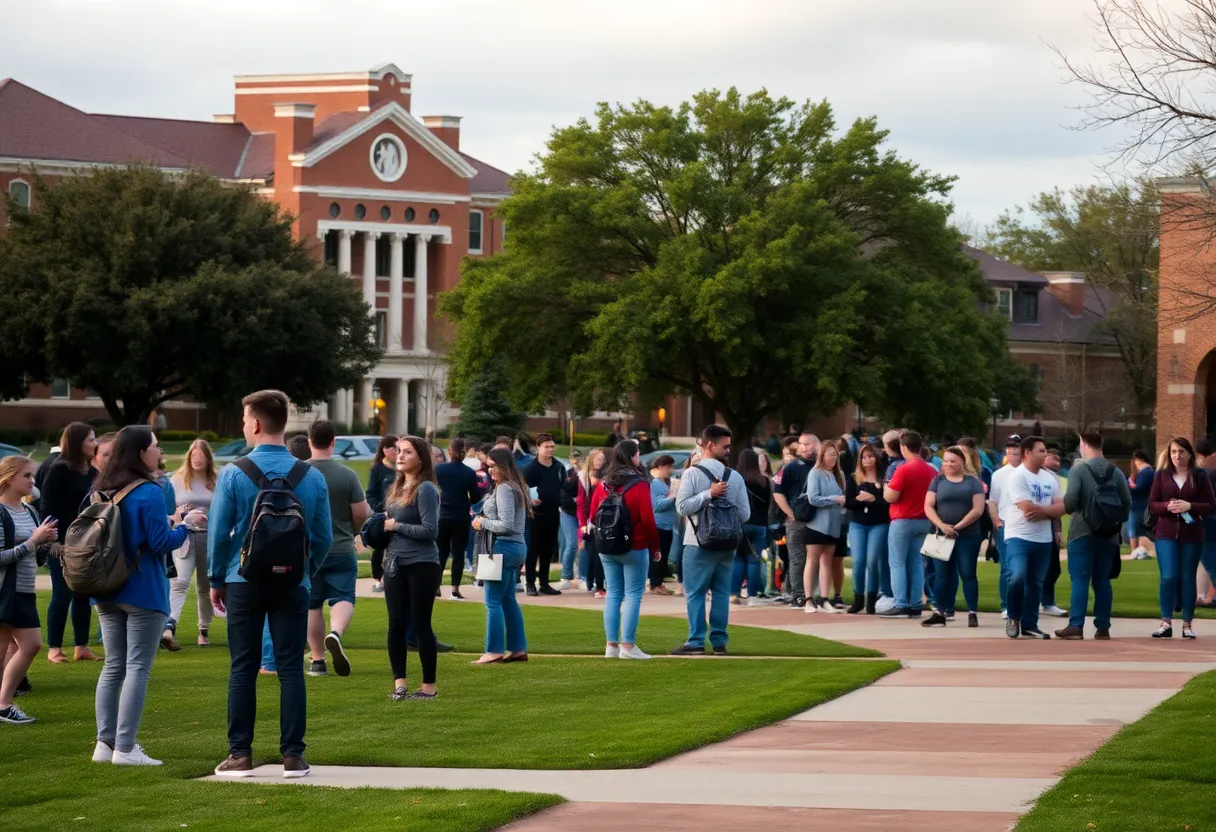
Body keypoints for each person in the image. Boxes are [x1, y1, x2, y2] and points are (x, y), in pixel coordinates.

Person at [209, 390, 332, 779]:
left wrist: (216, 577)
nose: (245, 427)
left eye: (246, 420)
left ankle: (239, 754)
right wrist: (305, 566)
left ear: (257, 423)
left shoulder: (233, 473)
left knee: (243, 667)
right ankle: (293, 756)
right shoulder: (310, 475)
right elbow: (324, 536)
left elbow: (218, 534)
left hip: (242, 578)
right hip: (294, 580)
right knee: (291, 668)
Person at [91, 426, 206, 764]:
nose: (160, 452)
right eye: (155, 446)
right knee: (138, 666)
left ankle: (104, 743)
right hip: (143, 588)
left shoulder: (100, 490)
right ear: (142, 452)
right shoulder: (150, 491)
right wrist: (185, 525)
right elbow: (160, 543)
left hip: (105, 587)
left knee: (113, 666)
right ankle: (125, 747)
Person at [671, 425, 749, 655]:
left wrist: (707, 496)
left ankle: (695, 641)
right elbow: (744, 514)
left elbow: (682, 507)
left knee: (695, 593)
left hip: (698, 542)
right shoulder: (734, 476)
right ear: (709, 445)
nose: (728, 450)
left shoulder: (693, 474)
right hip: (728, 543)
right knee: (722, 593)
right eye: (724, 446)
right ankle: (719, 642)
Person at [305, 420, 368, 678]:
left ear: (309, 441)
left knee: (313, 605)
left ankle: (317, 660)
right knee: (343, 596)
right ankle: (336, 632)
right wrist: (353, 530)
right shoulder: (347, 475)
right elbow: (361, 512)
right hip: (341, 545)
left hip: (307, 550)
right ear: (333, 442)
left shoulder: (299, 473)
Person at [1056, 431, 1132, 640]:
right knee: (1102, 580)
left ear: (1083, 444)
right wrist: (1113, 520)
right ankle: (1103, 626)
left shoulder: (1078, 470)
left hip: (1082, 531)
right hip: (1108, 535)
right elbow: (1127, 502)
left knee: (1080, 579)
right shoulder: (1115, 471)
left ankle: (1076, 625)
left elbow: (1070, 502)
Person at [590, 440, 660, 659]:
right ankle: (628, 646)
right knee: (633, 594)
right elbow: (647, 519)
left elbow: (593, 515)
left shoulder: (603, 483)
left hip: (606, 544)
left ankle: (611, 645)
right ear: (631, 456)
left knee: (613, 594)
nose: (639, 458)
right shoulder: (638, 483)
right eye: (637, 454)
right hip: (634, 544)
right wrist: (655, 547)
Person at [382, 436, 441, 699]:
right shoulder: (396, 488)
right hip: (394, 563)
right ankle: (399, 684)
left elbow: (430, 531)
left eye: (407, 452)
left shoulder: (425, 489)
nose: (400, 456)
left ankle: (429, 686)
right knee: (395, 624)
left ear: (421, 458)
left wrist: (397, 526)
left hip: (422, 564)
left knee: (420, 624)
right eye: (399, 451)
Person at [0, 457, 57, 725]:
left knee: (30, 645)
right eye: (26, 475)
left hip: (24, 590)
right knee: (9, 648)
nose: (32, 481)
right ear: (9, 478)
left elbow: (34, 558)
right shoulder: (1, 512)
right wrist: (34, 540)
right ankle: (3, 705)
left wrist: (45, 544)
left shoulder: (30, 512)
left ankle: (3, 703)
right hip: (4, 591)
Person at [39, 421, 100, 663]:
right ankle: (54, 648)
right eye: (91, 439)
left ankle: (81, 646)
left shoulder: (92, 472)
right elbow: (47, 507)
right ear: (77, 442)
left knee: (83, 593)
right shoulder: (59, 469)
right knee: (62, 594)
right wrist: (52, 539)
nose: (94, 444)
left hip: (86, 541)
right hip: (61, 541)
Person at [1147, 437, 1216, 640]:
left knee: (1187, 577)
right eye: (1174, 452)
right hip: (1165, 533)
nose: (1178, 456)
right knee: (1168, 576)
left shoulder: (1200, 476)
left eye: (1182, 452)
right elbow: (1152, 504)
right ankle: (1165, 622)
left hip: (1192, 534)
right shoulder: (1161, 476)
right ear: (1169, 454)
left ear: (1189, 454)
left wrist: (1190, 506)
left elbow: (1211, 504)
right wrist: (1167, 506)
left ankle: (1187, 624)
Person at [999, 435, 1066, 640]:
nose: (1045, 454)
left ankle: (1030, 625)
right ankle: (1013, 617)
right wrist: (1051, 510)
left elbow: (1063, 506)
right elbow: (1027, 508)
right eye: (1041, 451)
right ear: (1028, 453)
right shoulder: (1017, 477)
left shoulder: (1049, 478)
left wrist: (1045, 511)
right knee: (1017, 576)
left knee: (1036, 583)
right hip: (1018, 536)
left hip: (1043, 539)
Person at [471, 448, 530, 664]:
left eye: (493, 466)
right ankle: (517, 648)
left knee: (493, 601)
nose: (489, 470)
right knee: (508, 600)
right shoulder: (514, 486)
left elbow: (505, 524)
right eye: (488, 465)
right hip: (513, 547)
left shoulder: (505, 488)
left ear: (503, 466)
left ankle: (493, 650)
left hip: (500, 547)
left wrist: (481, 522)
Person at [922, 447, 987, 628]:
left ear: (961, 463)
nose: (949, 464)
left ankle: (972, 612)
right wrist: (942, 525)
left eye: (953, 461)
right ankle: (939, 612)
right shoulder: (937, 481)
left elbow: (978, 509)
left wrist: (958, 527)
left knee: (968, 573)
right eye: (946, 460)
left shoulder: (973, 482)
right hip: (942, 535)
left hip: (968, 536)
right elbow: (928, 505)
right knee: (940, 575)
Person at [163, 438, 217, 651]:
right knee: (180, 582)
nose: (197, 460)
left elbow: (223, 506)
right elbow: (169, 512)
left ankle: (203, 630)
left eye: (201, 456)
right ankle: (169, 626)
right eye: (194, 456)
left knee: (205, 586)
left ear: (207, 458)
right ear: (189, 457)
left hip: (209, 536)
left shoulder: (216, 479)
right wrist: (182, 514)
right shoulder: (176, 480)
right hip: (184, 536)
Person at [879, 431, 937, 618]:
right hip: (923, 519)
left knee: (897, 562)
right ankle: (915, 603)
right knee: (916, 563)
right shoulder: (931, 469)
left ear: (904, 447)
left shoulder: (903, 469)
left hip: (902, 519)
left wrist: (885, 487)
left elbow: (890, 496)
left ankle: (901, 603)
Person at [772, 432, 819, 608]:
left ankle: (810, 593)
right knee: (798, 558)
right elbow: (778, 493)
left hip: (817, 519)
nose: (804, 447)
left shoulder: (820, 466)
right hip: (796, 520)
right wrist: (790, 513)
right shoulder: (791, 467)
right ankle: (798, 594)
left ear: (816, 445)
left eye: (807, 444)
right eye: (801, 444)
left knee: (813, 559)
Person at [434, 438, 481, 601]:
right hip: (460, 516)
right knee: (459, 553)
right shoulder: (469, 472)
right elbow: (475, 497)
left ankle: (436, 586)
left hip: (442, 515)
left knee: (440, 552)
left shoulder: (438, 470)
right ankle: (455, 588)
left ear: (449, 451)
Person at [845, 443, 890, 615]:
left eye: (870, 456)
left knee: (872, 560)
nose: (867, 460)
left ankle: (871, 598)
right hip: (858, 524)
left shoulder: (883, 478)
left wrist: (873, 499)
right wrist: (860, 499)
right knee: (858, 560)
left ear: (876, 458)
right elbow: (848, 503)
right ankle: (858, 598)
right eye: (864, 457)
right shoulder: (854, 478)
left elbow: (888, 503)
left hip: (879, 524)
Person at [804, 440, 848, 613]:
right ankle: (808, 599)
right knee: (812, 559)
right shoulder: (815, 473)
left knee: (827, 561)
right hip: (816, 524)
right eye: (829, 455)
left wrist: (842, 504)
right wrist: (834, 499)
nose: (832, 458)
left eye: (835, 455)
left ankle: (824, 598)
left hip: (834, 524)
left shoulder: (840, 475)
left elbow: (843, 496)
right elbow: (813, 498)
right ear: (822, 456)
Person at [522, 433, 564, 596]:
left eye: (552, 446)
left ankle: (544, 582)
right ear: (538, 448)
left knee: (548, 549)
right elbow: (524, 491)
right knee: (533, 549)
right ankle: (530, 583)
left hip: (553, 512)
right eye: (546, 446)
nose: (550, 449)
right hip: (535, 515)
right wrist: (529, 503)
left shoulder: (558, 467)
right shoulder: (530, 469)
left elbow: (563, 486)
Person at [988, 435, 1024, 619]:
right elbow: (992, 500)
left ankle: (1022, 604)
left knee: (1023, 568)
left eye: (1015, 452)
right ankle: (1006, 605)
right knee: (1006, 567)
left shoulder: (1028, 472)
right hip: (1005, 523)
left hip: (1024, 523)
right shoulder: (999, 474)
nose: (1012, 455)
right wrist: (997, 522)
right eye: (1009, 452)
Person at [365, 435, 398, 593]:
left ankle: (393, 576)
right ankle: (378, 578)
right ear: (385, 450)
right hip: (382, 515)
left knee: (396, 547)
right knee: (379, 548)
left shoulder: (401, 468)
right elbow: (371, 494)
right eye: (395, 449)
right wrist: (380, 510)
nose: (398, 453)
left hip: (399, 515)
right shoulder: (378, 469)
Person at [576, 449, 608, 596]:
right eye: (597, 459)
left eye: (602, 459)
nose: (600, 462)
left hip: (602, 520)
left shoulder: (606, 478)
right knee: (592, 553)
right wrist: (583, 524)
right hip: (590, 521)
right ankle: (593, 583)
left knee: (597, 553)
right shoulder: (582, 478)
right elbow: (582, 503)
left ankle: (597, 584)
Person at [648, 454, 677, 596]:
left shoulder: (664, 483)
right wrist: (673, 496)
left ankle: (658, 583)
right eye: (668, 467)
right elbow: (658, 505)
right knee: (658, 557)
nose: (670, 470)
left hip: (668, 526)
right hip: (659, 526)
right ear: (660, 467)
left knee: (663, 556)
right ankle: (655, 584)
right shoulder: (655, 484)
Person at [558, 454, 583, 590]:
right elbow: (564, 495)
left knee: (584, 546)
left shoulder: (586, 476)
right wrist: (573, 500)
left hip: (582, 514)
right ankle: (566, 576)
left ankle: (582, 576)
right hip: (569, 513)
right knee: (572, 544)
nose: (576, 460)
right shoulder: (568, 475)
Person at [1128, 449, 1156, 560]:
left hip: (1139, 506)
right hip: (1140, 505)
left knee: (1134, 530)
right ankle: (1139, 551)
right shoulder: (1146, 472)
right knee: (1137, 530)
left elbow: (1138, 488)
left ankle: (1135, 552)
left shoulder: (1146, 472)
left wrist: (1129, 483)